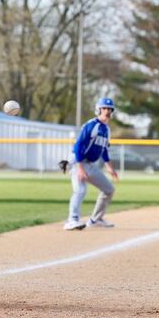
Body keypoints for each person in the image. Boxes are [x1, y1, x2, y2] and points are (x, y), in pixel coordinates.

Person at [64, 97, 119, 231]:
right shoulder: (91, 125)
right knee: (80, 190)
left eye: (109, 109)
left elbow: (104, 149)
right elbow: (78, 146)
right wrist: (80, 168)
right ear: (98, 109)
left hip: (90, 165)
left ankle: (96, 219)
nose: (106, 111)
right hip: (79, 162)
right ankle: (72, 220)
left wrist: (109, 166)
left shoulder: (107, 129)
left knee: (109, 189)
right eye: (104, 108)